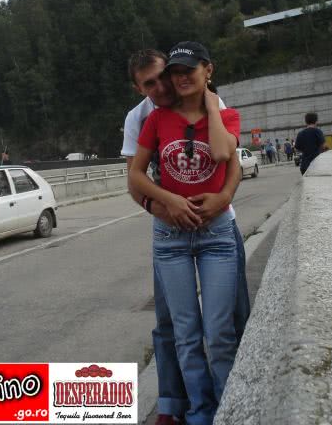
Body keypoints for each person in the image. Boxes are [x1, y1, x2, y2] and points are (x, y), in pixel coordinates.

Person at [122, 48, 249, 425]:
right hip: (170, 232)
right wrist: (164, 205)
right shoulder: (143, 118)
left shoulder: (211, 102)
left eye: (166, 75)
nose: (163, 86)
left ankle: (234, 403)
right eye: (150, 83)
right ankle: (180, 407)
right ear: (139, 88)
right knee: (176, 329)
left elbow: (231, 161)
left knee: (227, 324)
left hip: (219, 226)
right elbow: (134, 178)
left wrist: (223, 198)